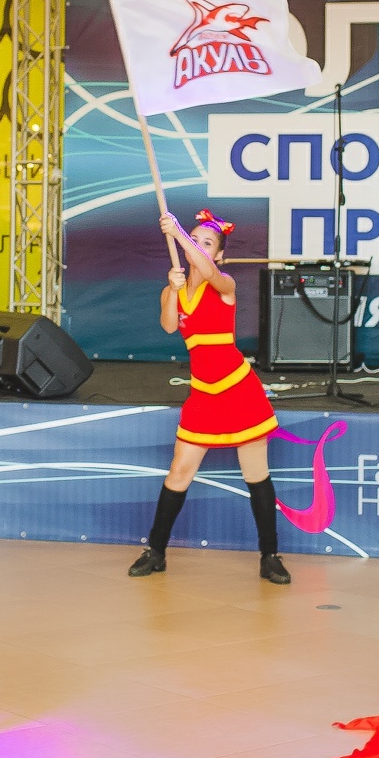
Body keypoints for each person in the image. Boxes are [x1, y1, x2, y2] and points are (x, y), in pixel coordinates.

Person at [128, 209, 291, 586]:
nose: (199, 247)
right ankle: (156, 551)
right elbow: (169, 325)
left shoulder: (224, 284)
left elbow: (205, 268)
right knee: (179, 473)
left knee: (256, 474)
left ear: (218, 255)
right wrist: (172, 290)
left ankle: (270, 556)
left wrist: (179, 233)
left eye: (207, 243)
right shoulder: (173, 287)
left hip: (239, 391)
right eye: (196, 239)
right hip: (203, 395)